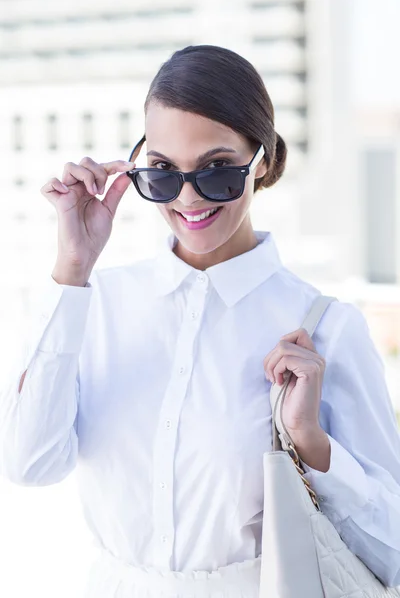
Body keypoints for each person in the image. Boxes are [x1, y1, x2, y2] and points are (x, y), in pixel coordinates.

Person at [1, 44, 400, 598]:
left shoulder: (326, 329)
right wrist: (72, 267)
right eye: (163, 172)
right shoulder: (95, 303)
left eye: (216, 170)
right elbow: (29, 464)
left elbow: (392, 550)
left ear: (259, 161)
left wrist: (310, 443)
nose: (188, 197)